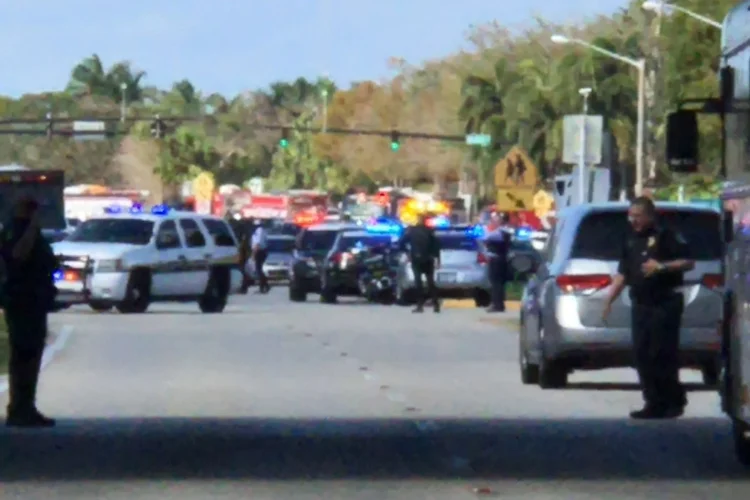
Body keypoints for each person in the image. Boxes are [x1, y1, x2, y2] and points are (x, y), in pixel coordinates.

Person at [603, 196, 694, 419]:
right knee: (642, 354)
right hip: (641, 304)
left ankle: (672, 401)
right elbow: (623, 274)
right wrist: (608, 301)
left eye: (637, 216)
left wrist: (662, 266)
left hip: (665, 303)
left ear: (649, 216)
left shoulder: (666, 235)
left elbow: (688, 262)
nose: (632, 220)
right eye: (630, 216)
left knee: (662, 353)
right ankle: (652, 402)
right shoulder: (630, 239)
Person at [0, 196, 58, 427]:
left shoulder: (20, 230)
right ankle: (20, 409)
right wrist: (33, 228)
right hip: (23, 300)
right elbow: (17, 256)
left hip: (32, 300)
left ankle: (25, 406)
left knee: (28, 355)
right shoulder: (17, 230)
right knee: (25, 354)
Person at [403, 213, 440, 313]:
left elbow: (401, 243)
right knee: (430, 282)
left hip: (416, 259)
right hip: (428, 259)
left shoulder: (411, 231)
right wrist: (437, 259)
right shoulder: (430, 231)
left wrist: (408, 253)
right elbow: (436, 246)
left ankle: (420, 306)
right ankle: (436, 305)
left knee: (418, 282)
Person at [484, 212, 513, 313]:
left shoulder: (500, 232)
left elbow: (486, 237)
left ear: (501, 221)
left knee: (496, 283)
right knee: (498, 283)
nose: (493, 222)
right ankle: (498, 304)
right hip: (500, 259)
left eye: (496, 219)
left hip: (497, 260)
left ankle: (497, 305)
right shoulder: (504, 231)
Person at [251, 220, 270, 294]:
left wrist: (253, 254)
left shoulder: (259, 231)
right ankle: (264, 285)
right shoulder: (260, 230)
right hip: (261, 251)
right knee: (259, 269)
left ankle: (263, 286)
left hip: (259, 251)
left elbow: (257, 244)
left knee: (259, 269)